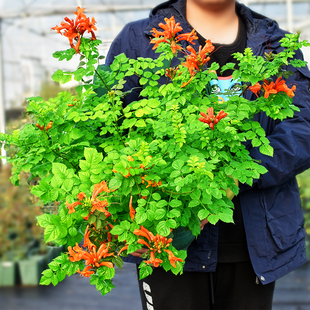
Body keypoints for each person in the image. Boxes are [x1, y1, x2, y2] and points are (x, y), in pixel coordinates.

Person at [104, 0, 310, 309]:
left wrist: (239, 173)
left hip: (255, 242)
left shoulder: (276, 44)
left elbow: (303, 126)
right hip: (167, 239)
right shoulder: (138, 40)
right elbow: (109, 128)